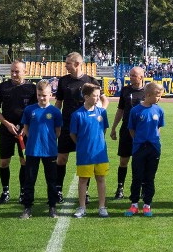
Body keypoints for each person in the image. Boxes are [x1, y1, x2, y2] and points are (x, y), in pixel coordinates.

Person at [55, 52, 108, 204]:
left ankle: (85, 193)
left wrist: (100, 114)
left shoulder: (91, 81)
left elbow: (104, 100)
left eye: (68, 64)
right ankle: (58, 189)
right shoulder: (63, 81)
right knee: (62, 158)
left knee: (88, 159)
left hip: (86, 128)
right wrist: (55, 120)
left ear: (77, 64)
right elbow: (58, 103)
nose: (66, 67)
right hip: (66, 126)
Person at [0, 59, 36, 204]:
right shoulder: (3, 87)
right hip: (6, 131)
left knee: (24, 162)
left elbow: (36, 111)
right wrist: (7, 124)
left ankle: (23, 192)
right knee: (4, 162)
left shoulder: (32, 88)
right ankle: (5, 191)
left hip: (25, 131)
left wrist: (24, 127)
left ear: (25, 72)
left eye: (17, 71)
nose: (14, 74)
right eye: (12, 71)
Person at [19, 79, 62, 219]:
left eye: (44, 95)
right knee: (29, 180)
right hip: (32, 150)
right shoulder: (29, 110)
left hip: (50, 151)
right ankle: (27, 208)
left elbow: (57, 131)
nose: (42, 97)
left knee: (52, 180)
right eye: (39, 95)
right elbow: (26, 128)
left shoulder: (55, 111)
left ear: (50, 94)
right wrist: (35, 139)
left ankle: (52, 207)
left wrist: (47, 140)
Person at [124, 82, 165, 217]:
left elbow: (158, 127)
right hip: (139, 148)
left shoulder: (159, 110)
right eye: (157, 95)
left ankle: (147, 204)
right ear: (148, 95)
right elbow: (131, 129)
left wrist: (154, 141)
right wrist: (139, 141)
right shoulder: (135, 110)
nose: (159, 98)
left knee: (150, 177)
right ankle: (134, 204)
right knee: (137, 177)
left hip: (153, 148)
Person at [69, 83, 110, 218]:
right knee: (83, 180)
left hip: (100, 153)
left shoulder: (102, 112)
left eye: (98, 95)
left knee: (101, 179)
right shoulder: (77, 115)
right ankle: (82, 207)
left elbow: (103, 130)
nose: (98, 98)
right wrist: (83, 145)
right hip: (85, 154)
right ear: (86, 97)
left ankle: (102, 207)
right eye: (95, 96)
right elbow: (73, 134)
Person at [109, 66, 145, 200]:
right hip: (125, 130)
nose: (130, 78)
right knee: (123, 161)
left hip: (141, 132)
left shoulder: (147, 92)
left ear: (141, 77)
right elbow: (120, 110)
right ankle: (120, 188)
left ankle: (140, 188)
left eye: (133, 75)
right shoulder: (125, 90)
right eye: (130, 75)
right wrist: (113, 128)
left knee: (140, 162)